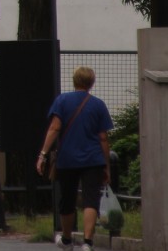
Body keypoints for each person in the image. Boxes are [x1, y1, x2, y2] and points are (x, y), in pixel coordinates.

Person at [36, 66, 113, 251]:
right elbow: (103, 138)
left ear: (74, 80)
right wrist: (107, 166)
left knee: (67, 199)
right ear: (91, 83)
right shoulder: (98, 104)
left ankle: (68, 239)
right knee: (90, 200)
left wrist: (43, 154)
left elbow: (54, 128)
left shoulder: (62, 101)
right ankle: (87, 242)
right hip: (93, 160)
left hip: (67, 158)